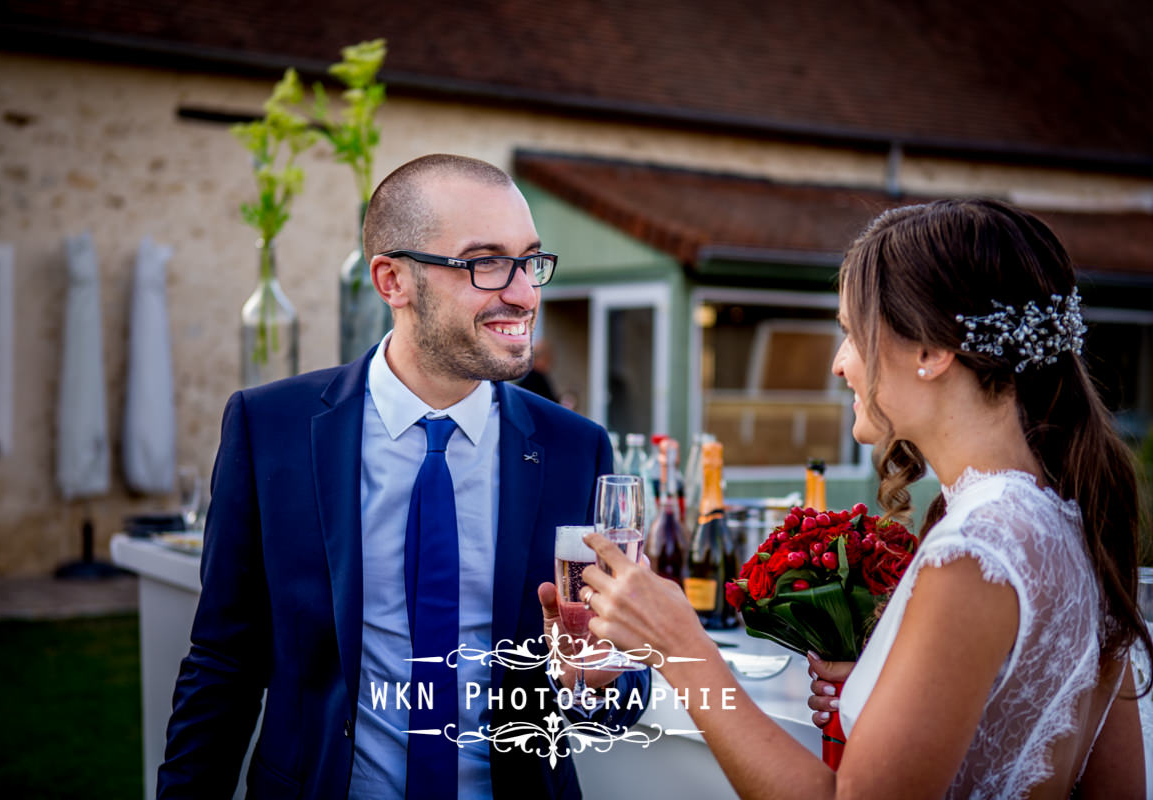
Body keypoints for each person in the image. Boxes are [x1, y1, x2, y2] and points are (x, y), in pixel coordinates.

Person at [575, 198, 1150, 797]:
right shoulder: (1073, 521)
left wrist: (681, 647)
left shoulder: (978, 549)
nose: (838, 364)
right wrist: (883, 697)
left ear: (931, 352)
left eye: (852, 332)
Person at [158, 154, 648, 800]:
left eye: (530, 261)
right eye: (486, 263)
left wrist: (600, 675)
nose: (526, 293)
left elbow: (618, 692)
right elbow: (223, 666)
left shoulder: (574, 450)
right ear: (393, 281)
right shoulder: (268, 430)